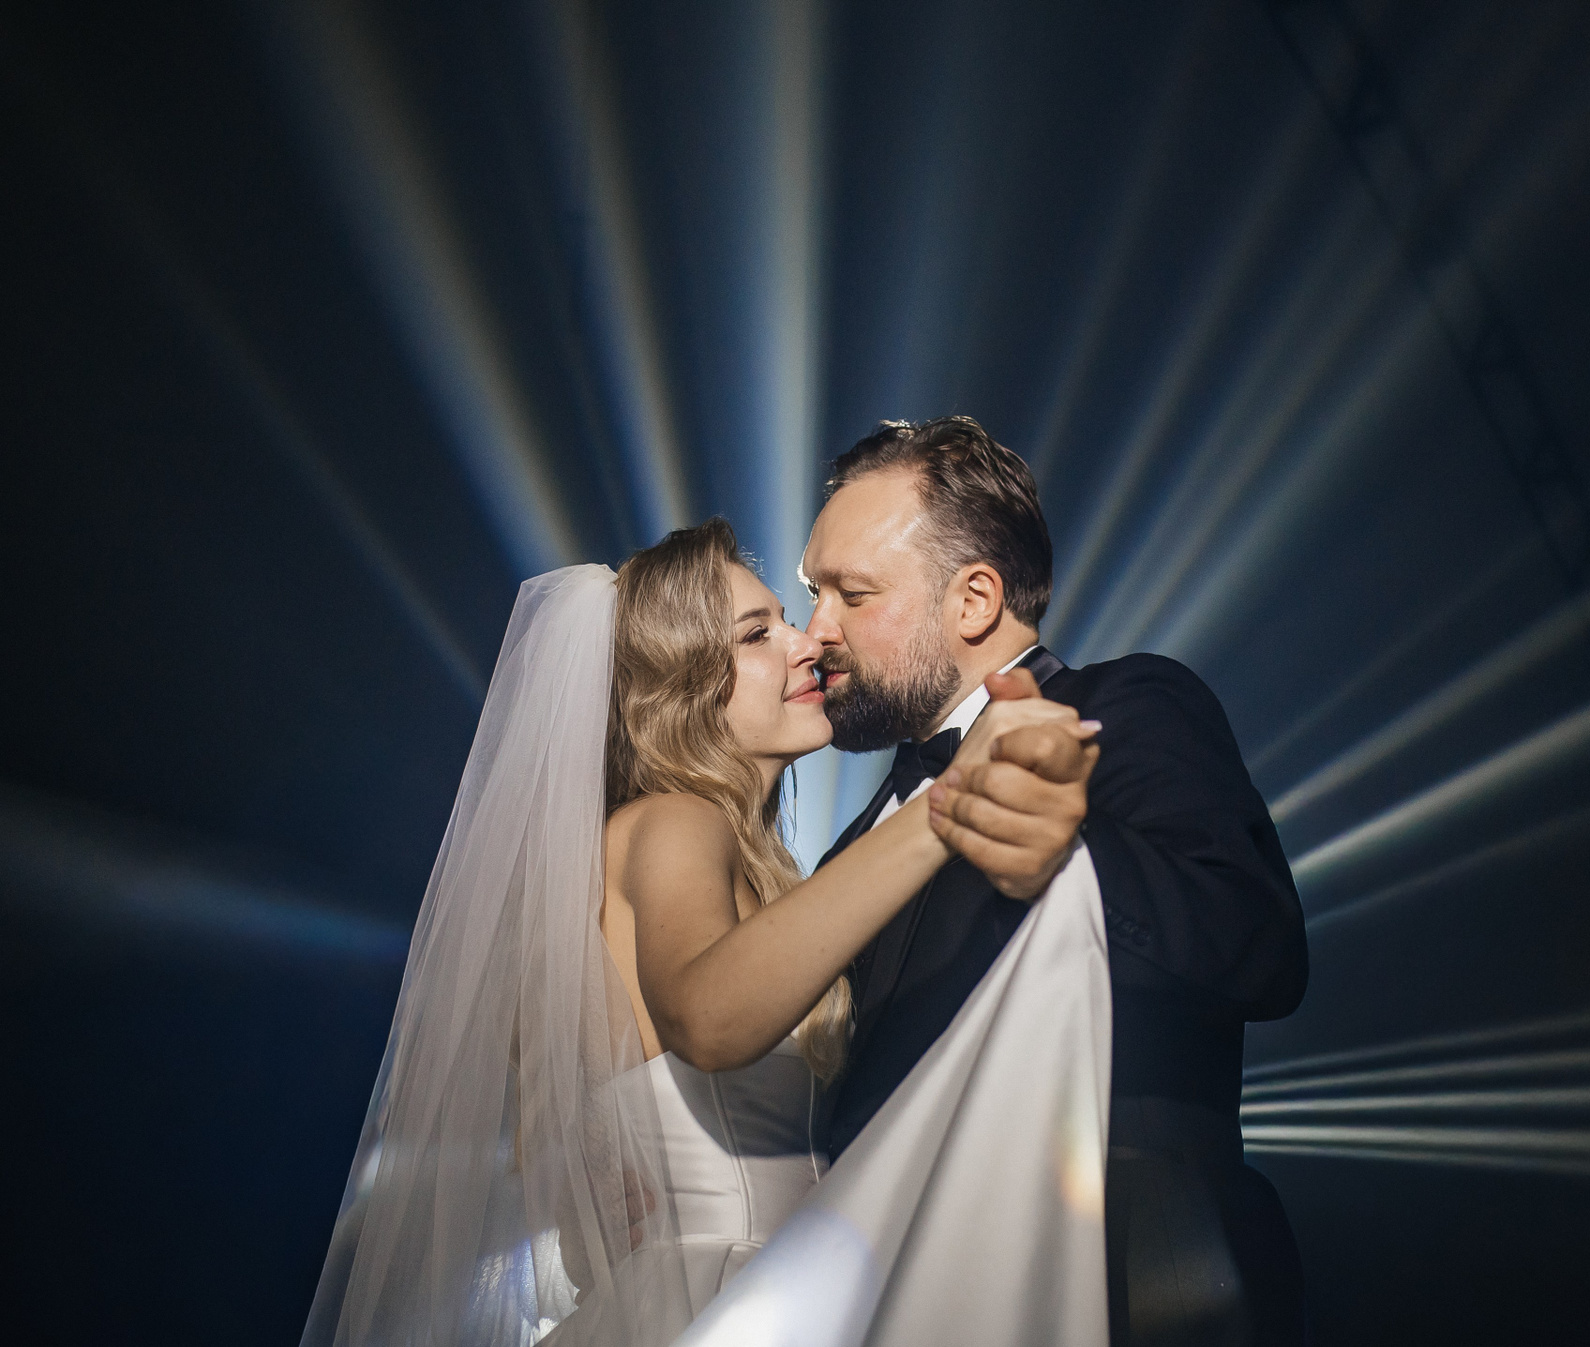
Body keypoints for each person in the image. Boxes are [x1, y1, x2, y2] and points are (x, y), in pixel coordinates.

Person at [300, 520, 1099, 1347]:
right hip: (725, 1303)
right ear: (679, 690)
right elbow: (710, 1017)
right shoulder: (674, 820)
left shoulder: (718, 858)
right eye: (757, 635)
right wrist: (955, 803)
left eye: (782, 618)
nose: (807, 644)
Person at [802, 416, 1310, 1346]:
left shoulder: (1126, 705)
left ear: (975, 599)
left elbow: (1260, 947)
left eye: (852, 593)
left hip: (1125, 1275)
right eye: (812, 593)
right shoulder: (849, 851)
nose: (815, 631)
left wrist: (1070, 855)